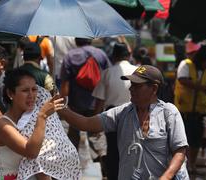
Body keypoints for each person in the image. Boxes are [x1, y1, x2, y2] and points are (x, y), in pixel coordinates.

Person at [58, 65, 189, 179]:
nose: (131, 89)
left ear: (154, 89)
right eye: (132, 85)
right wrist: (62, 110)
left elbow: (180, 151)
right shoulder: (122, 113)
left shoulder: (169, 113)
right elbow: (86, 123)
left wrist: (166, 177)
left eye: (137, 86)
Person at [0, 68, 81, 180]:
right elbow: (31, 152)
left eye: (34, 89)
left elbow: (43, 159)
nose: (31, 95)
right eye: (25, 90)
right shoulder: (3, 125)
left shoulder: (31, 121)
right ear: (10, 93)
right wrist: (42, 116)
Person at [92, 42, 137, 180]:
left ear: (114, 56)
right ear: (128, 56)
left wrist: (94, 123)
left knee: (113, 150)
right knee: (133, 149)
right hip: (134, 115)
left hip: (112, 117)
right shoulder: (138, 71)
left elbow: (99, 102)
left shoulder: (107, 73)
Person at [174, 45, 206, 174]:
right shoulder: (186, 65)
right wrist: (201, 88)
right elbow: (182, 79)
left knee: (195, 142)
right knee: (180, 141)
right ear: (202, 59)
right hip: (182, 113)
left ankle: (191, 164)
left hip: (200, 113)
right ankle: (180, 165)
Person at [60, 37, 110, 150]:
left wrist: (63, 104)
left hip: (75, 103)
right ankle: (101, 159)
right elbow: (108, 76)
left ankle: (72, 161)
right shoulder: (101, 54)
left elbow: (65, 83)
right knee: (96, 134)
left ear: (76, 41)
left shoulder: (70, 55)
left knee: (73, 133)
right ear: (90, 40)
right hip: (96, 103)